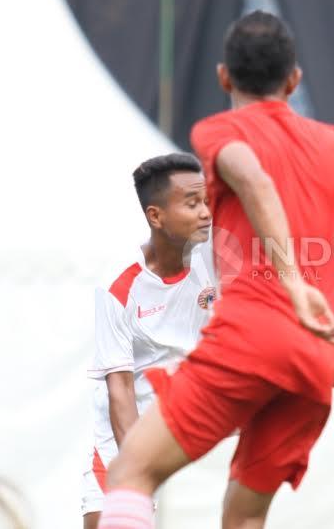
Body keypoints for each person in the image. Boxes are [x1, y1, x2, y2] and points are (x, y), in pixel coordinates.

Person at [97, 12, 334, 529]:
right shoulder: (330, 141)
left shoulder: (218, 130)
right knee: (244, 517)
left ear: (225, 77)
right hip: (314, 359)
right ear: (294, 80)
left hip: (251, 337)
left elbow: (252, 177)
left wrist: (290, 278)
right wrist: (308, 210)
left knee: (130, 472)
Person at [82, 153, 216, 529]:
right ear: (155, 216)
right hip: (129, 437)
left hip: (198, 422)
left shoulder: (217, 254)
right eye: (192, 204)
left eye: (206, 201)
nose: (205, 213)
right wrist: (134, 473)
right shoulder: (119, 285)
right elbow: (120, 391)